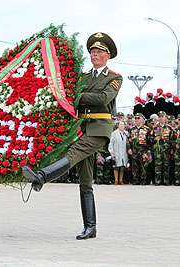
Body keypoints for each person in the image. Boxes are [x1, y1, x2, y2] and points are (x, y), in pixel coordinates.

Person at [22, 32, 122, 240]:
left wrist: (79, 96)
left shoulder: (114, 78)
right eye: (92, 52)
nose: (95, 55)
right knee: (85, 180)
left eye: (99, 52)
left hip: (99, 130)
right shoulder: (83, 77)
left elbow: (104, 98)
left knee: (74, 152)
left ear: (107, 56)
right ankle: (90, 227)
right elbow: (70, 95)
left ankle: (42, 176)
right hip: (81, 128)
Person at [108, 121, 128, 185]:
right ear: (118, 126)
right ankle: (116, 180)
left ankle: (121, 180)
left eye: (123, 125)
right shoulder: (114, 133)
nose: (121, 126)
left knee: (122, 166)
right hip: (116, 151)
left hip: (124, 152)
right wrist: (112, 152)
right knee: (116, 166)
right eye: (120, 125)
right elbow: (111, 143)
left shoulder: (126, 133)